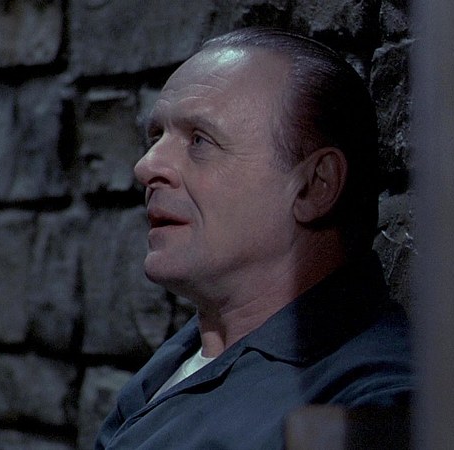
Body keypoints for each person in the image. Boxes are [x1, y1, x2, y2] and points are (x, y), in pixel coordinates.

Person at [95, 27, 412, 449]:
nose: (146, 166)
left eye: (199, 141)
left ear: (314, 187)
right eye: (156, 137)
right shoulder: (178, 360)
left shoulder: (368, 406)